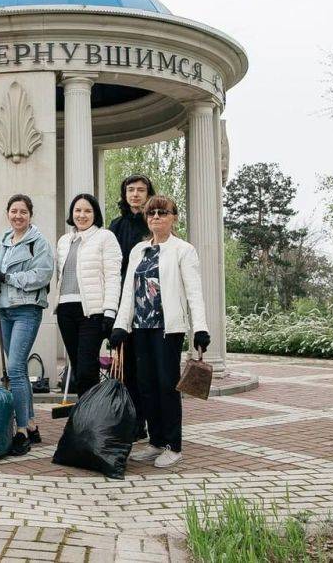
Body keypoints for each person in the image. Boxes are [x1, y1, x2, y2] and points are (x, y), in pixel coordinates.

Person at [110, 195, 211, 469]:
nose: (156, 217)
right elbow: (128, 293)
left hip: (168, 330)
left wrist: (200, 328)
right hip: (140, 329)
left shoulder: (183, 250)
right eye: (151, 213)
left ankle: (173, 445)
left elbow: (194, 293)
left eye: (162, 213)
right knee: (145, 386)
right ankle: (155, 442)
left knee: (167, 386)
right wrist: (120, 325)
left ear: (173, 217)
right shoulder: (138, 251)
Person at [0, 194, 55, 456]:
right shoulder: (3, 242)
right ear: (7, 213)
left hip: (27, 310)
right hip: (3, 310)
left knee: (14, 368)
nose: (18, 216)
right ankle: (33, 424)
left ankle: (22, 430)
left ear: (30, 215)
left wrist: (7, 278)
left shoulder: (38, 243)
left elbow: (42, 275)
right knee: (19, 372)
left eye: (23, 212)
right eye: (14, 211)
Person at [54, 193, 122, 397]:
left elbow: (113, 275)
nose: (82, 215)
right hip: (66, 310)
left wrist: (110, 311)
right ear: (71, 213)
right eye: (77, 210)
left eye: (87, 210)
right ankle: (85, 415)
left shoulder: (105, 237)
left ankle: (92, 419)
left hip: (91, 312)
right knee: (77, 369)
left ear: (95, 214)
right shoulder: (65, 240)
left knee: (86, 369)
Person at [109, 174, 156, 440]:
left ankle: (147, 418)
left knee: (145, 365)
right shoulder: (116, 226)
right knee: (124, 366)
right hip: (122, 302)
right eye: (130, 190)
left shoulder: (153, 223)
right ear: (125, 194)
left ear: (148, 193)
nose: (135, 194)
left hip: (148, 303)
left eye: (140, 190)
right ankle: (131, 420)